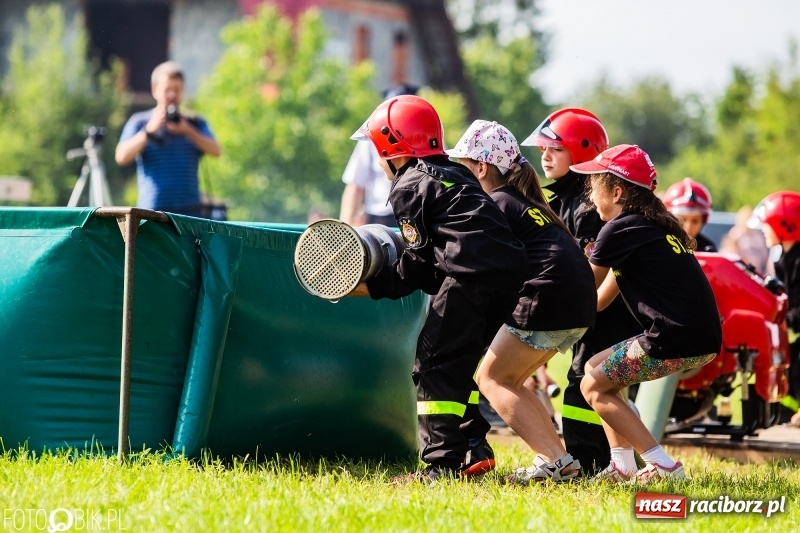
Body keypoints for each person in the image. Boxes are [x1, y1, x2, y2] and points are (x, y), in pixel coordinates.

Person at [349, 96, 528, 482]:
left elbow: (415, 265)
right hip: (507, 281)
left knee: (433, 367)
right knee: (457, 364)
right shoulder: (454, 173)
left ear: (391, 148)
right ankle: (474, 449)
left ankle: (440, 466)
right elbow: (436, 260)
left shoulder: (409, 185)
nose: (378, 161)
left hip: (469, 279)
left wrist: (370, 287)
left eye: (378, 150)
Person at [447, 120, 596, 483]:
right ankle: (561, 461)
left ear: (481, 167)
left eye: (462, 165)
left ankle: (552, 459)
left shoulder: (494, 203)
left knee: (491, 378)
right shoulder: (522, 201)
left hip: (548, 298)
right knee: (511, 379)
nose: (456, 175)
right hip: (575, 303)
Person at [572, 144, 722, 482]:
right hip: (700, 337)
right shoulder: (651, 224)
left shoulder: (619, 229)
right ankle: (622, 466)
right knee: (597, 367)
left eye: (594, 185)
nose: (591, 196)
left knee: (593, 387)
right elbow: (597, 301)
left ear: (617, 190)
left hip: (674, 337)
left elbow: (580, 289)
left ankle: (664, 466)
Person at [520, 108, 642, 474]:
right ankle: (601, 459)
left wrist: (583, 308)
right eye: (543, 149)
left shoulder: (590, 206)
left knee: (584, 383)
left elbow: (597, 272)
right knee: (583, 380)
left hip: (608, 313)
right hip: (588, 311)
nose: (544, 156)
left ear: (583, 151)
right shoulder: (563, 199)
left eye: (555, 148)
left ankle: (592, 460)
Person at [115, 61, 222, 217]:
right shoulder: (140, 122)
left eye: (177, 90)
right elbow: (121, 157)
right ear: (155, 91)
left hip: (190, 212)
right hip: (151, 211)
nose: (172, 95)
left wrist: (187, 131)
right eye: (167, 90)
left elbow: (216, 151)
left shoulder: (194, 122)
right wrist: (149, 131)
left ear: (183, 91)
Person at [747, 192, 800, 424]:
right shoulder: (784, 259)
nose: (764, 231)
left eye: (767, 226)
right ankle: (786, 412)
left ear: (784, 226)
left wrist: (784, 320)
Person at [339, 84, 419, 227]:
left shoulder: (426, 132)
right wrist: (346, 228)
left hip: (417, 214)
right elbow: (355, 184)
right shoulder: (372, 135)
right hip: (380, 218)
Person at [662, 177, 717, 251]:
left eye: (695, 221)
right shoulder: (657, 245)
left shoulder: (708, 249)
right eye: (682, 219)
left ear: (703, 221)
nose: (688, 226)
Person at [721, 205, 770, 274]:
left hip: (758, 271)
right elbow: (730, 253)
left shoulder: (758, 236)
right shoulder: (736, 234)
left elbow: (765, 256)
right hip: (741, 271)